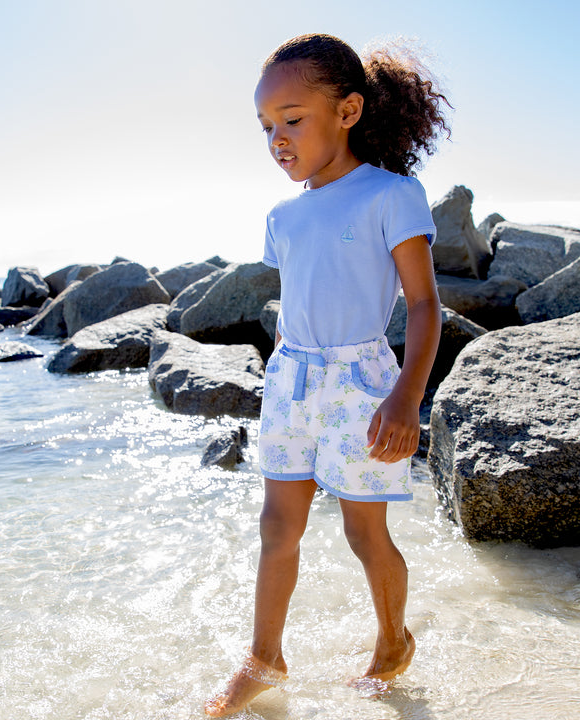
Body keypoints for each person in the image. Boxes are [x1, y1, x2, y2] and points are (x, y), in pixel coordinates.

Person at [204, 33, 450, 717]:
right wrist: (282, 376)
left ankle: (393, 640)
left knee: (363, 532)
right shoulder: (282, 216)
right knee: (277, 527)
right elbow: (297, 299)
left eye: (291, 118)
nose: (277, 138)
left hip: (362, 382)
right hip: (291, 382)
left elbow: (427, 305)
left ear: (347, 110)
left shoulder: (391, 194)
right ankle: (264, 658)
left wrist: (406, 399)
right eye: (266, 127)